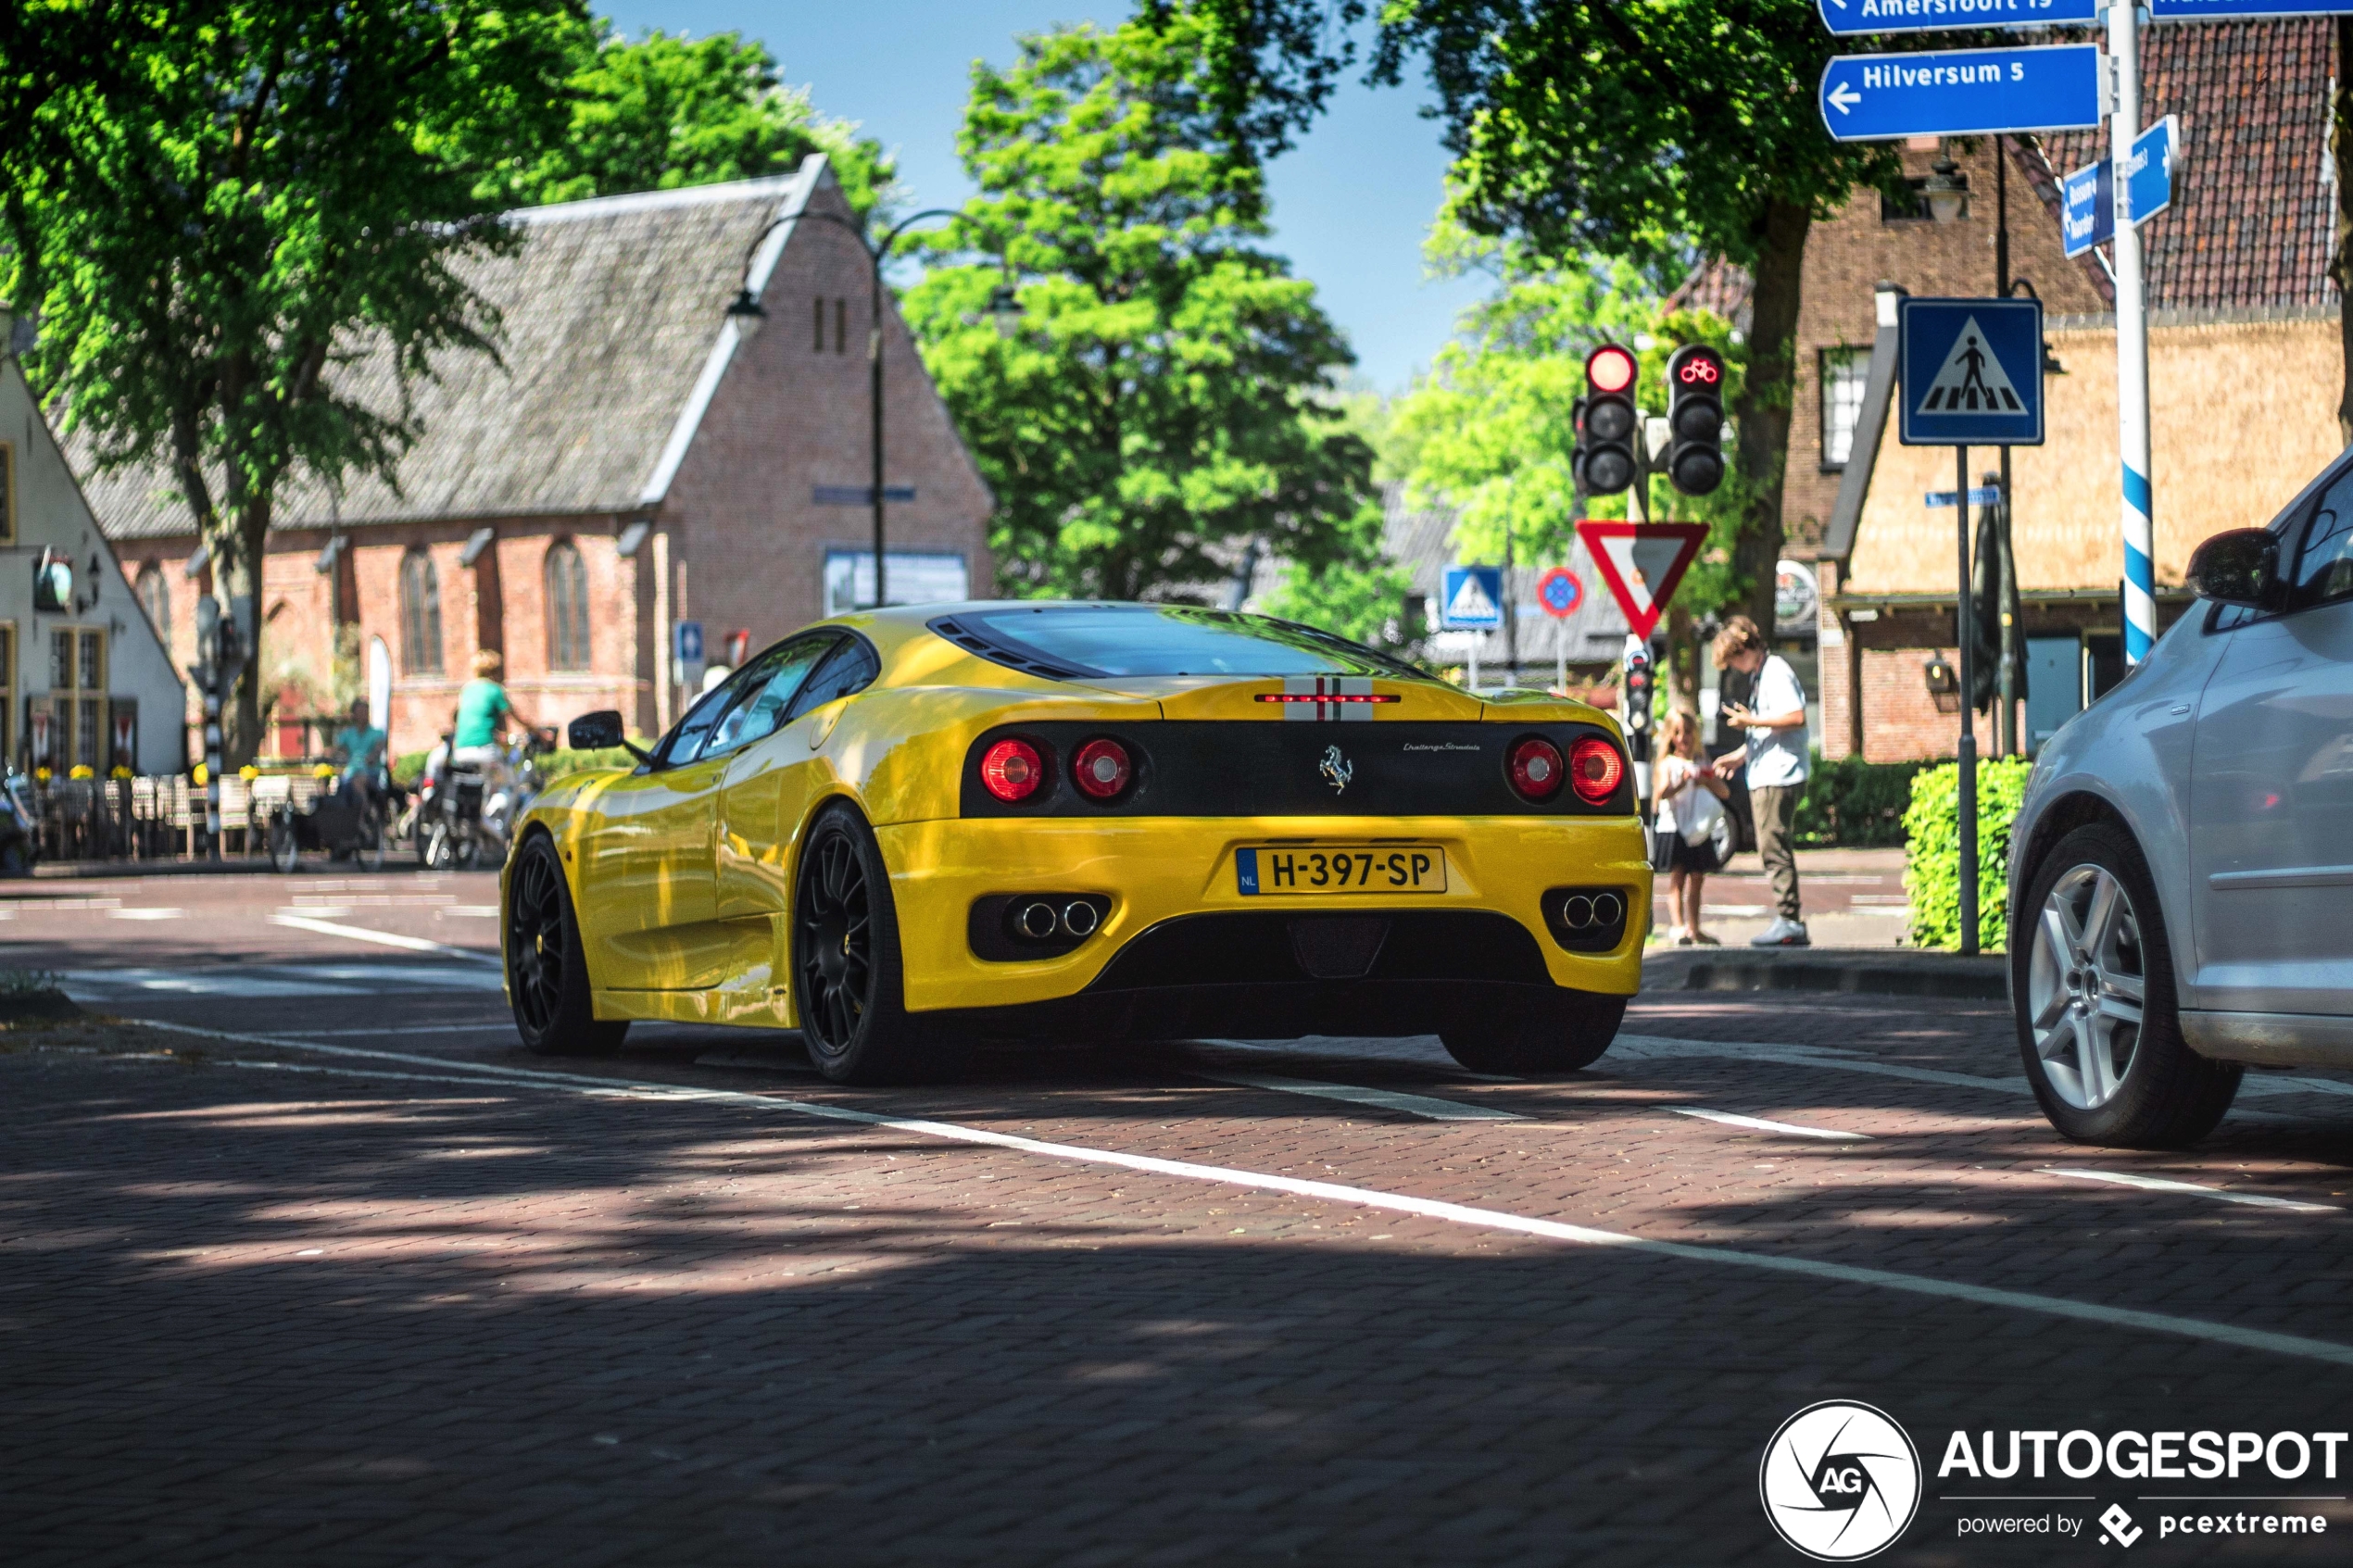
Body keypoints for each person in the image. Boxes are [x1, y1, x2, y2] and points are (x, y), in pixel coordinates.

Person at [1711, 615, 1811, 947]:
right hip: (1768, 771)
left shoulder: (1775, 670)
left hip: (1778, 774)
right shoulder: (1762, 673)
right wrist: (1741, 754)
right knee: (1771, 845)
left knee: (1773, 846)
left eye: (1734, 659)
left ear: (1745, 648)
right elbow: (1770, 730)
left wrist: (1750, 720)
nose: (1734, 668)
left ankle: (1790, 920)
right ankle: (1788, 918)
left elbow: (1796, 716)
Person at [1654, 709, 1730, 946]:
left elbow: (1724, 792)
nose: (1683, 737)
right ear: (1669, 736)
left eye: (1687, 731)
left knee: (1697, 877)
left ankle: (1695, 928)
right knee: (1678, 878)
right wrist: (1681, 782)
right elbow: (1660, 795)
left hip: (1698, 828)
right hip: (1675, 827)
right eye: (1677, 732)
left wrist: (1706, 780)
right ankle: (1678, 928)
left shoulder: (1701, 763)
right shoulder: (1667, 764)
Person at [329, 698, 386, 813]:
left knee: (359, 781)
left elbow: (377, 751)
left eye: (365, 712)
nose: (363, 715)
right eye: (360, 712)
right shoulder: (347, 734)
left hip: (371, 774)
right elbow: (338, 751)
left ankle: (365, 813)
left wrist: (371, 757)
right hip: (349, 774)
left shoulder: (377, 733)